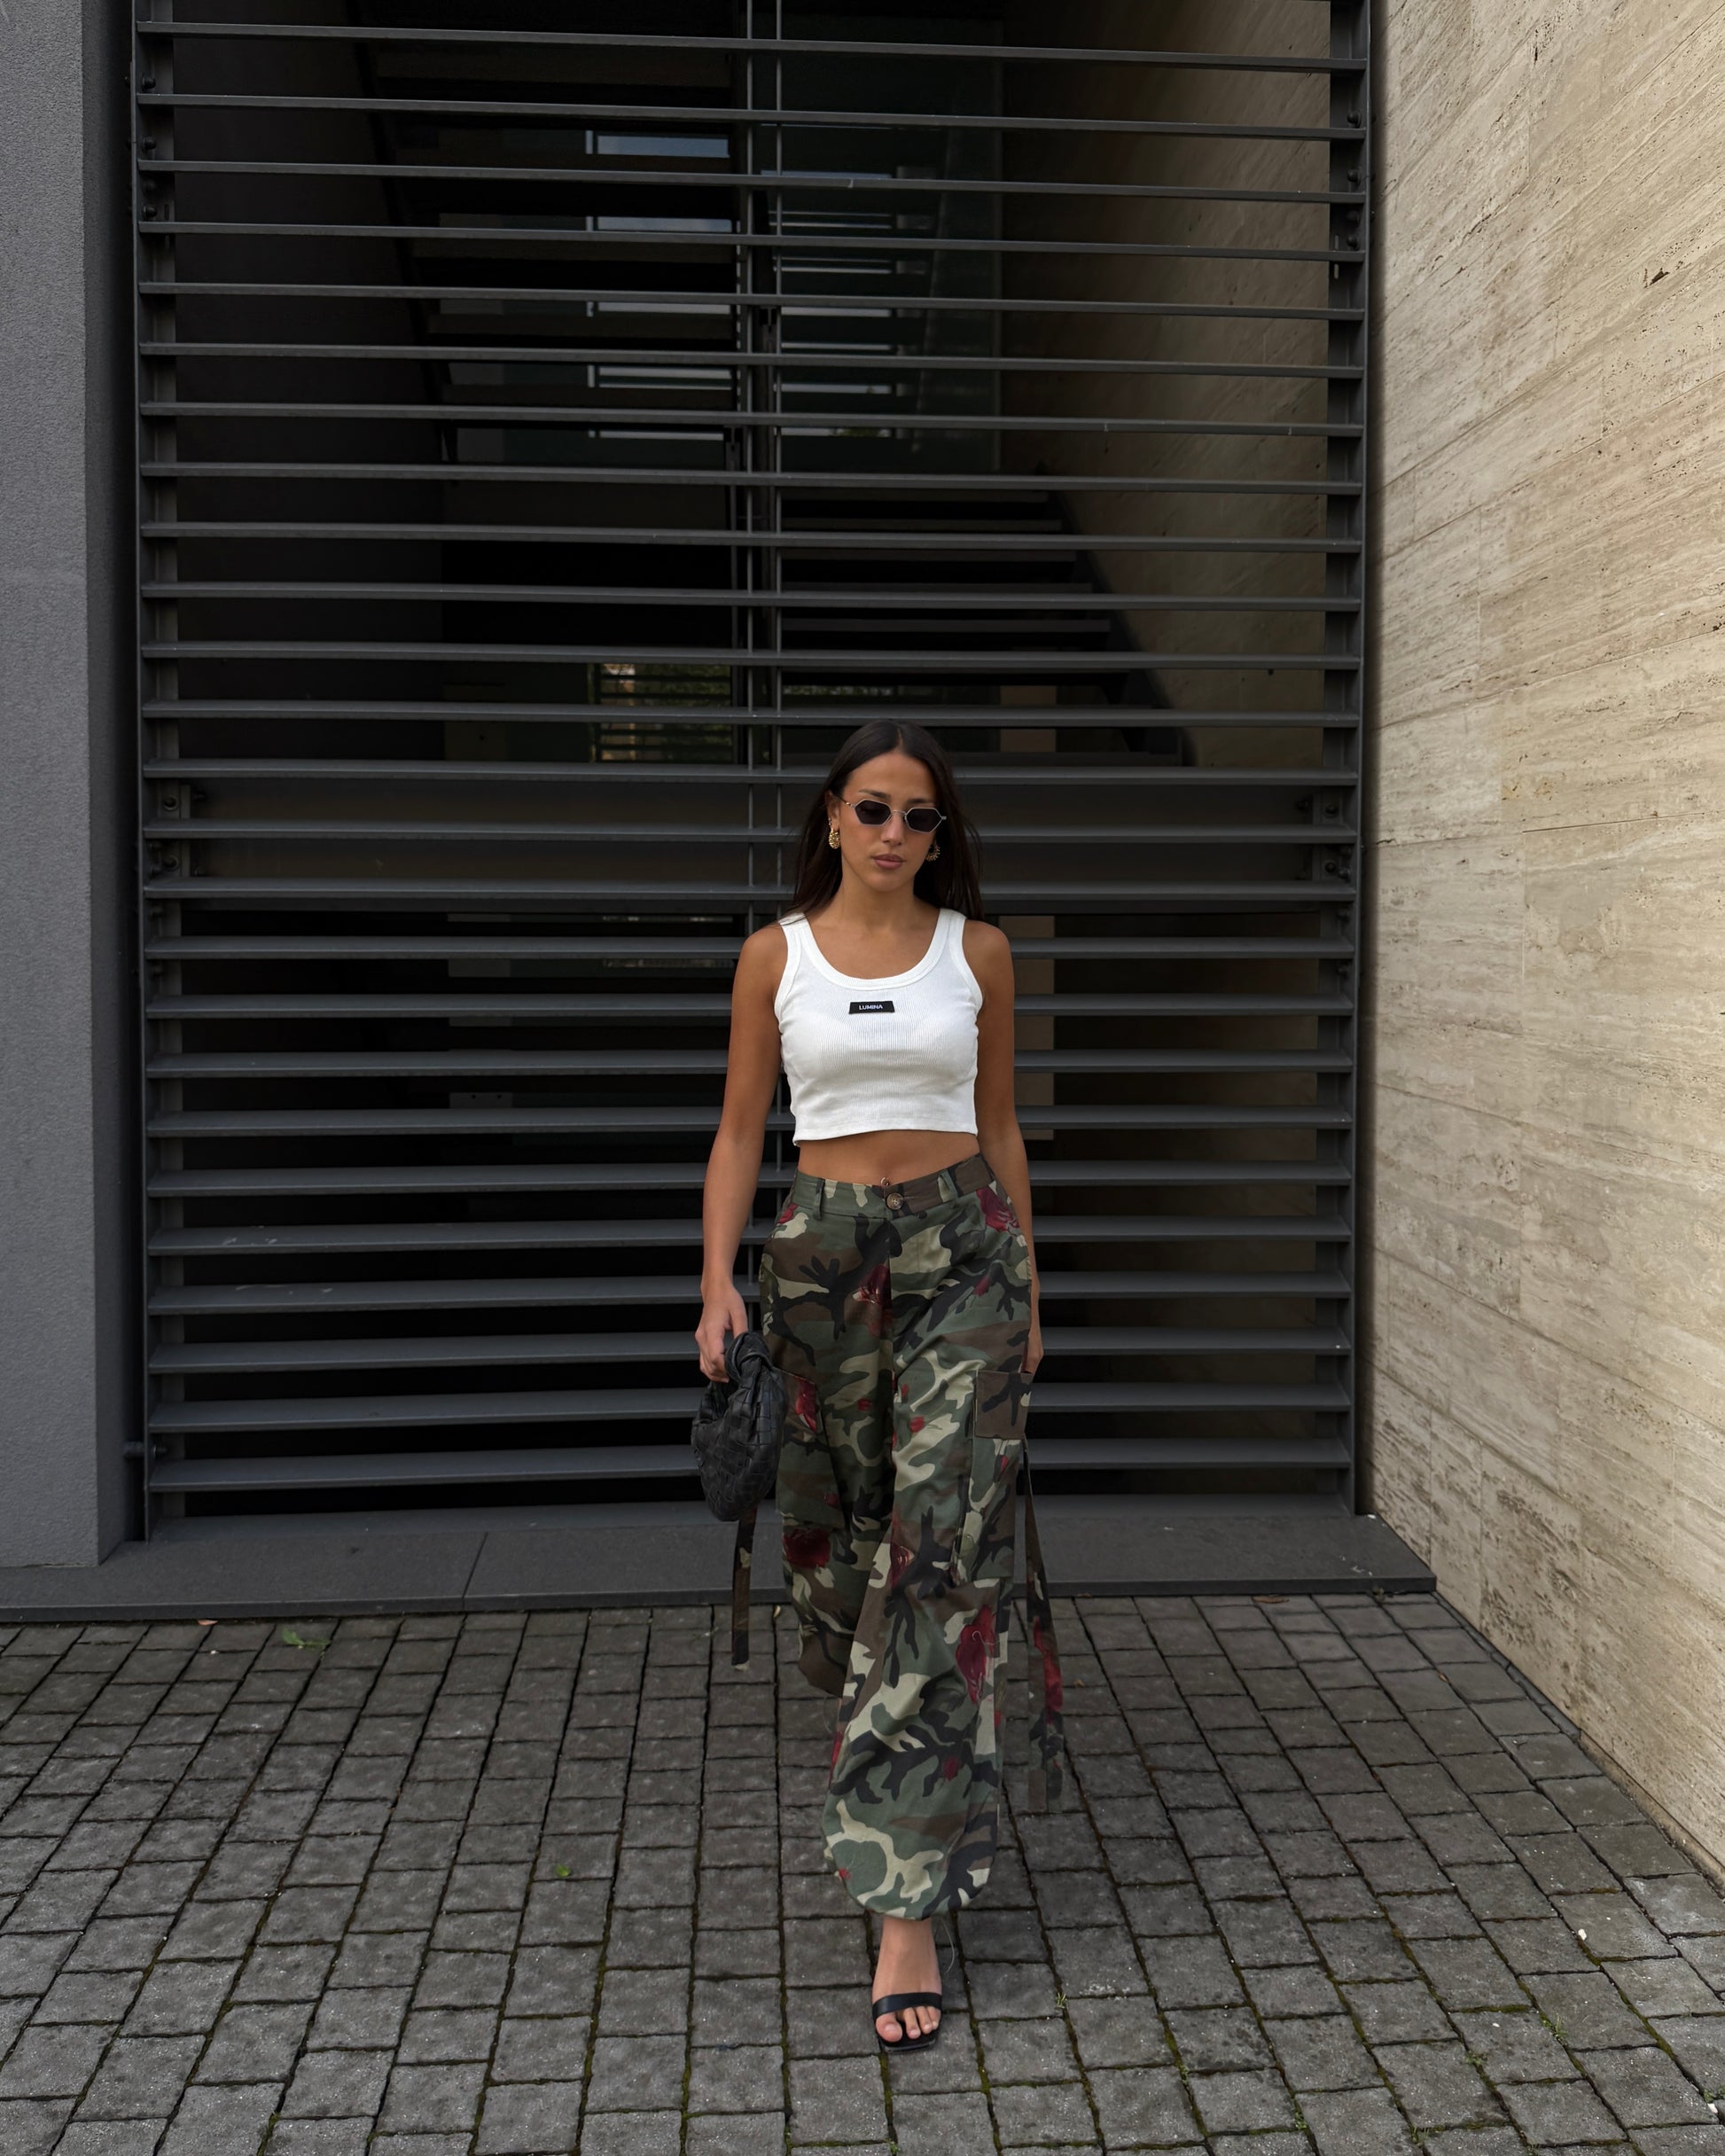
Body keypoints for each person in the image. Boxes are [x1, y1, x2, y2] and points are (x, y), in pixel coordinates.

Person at [697, 717, 1065, 2054]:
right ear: (833, 817)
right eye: (873, 809)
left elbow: (1002, 1122)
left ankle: (903, 1901)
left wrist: (1029, 1282)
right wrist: (716, 1281)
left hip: (966, 1251)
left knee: (938, 1552)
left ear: (939, 833)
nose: (895, 834)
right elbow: (741, 1127)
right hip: (822, 1258)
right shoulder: (775, 956)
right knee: (846, 1551)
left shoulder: (980, 953)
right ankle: (877, 1702)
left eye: (918, 815)